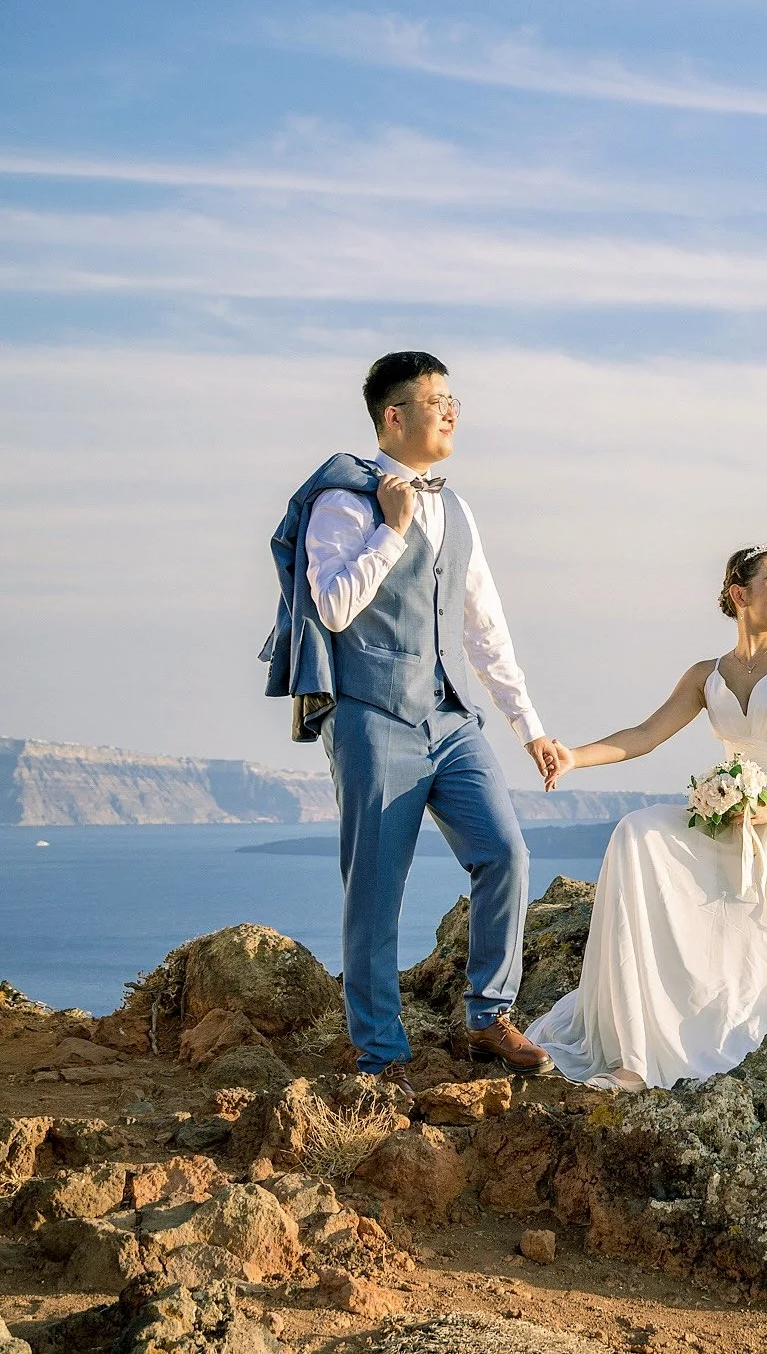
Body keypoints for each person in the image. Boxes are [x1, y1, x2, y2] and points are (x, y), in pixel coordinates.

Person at [262, 351, 567, 1092]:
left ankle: (488, 1014)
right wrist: (391, 529)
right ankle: (380, 1054)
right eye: (437, 400)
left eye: (454, 398)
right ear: (394, 416)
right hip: (372, 717)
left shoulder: (457, 508)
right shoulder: (343, 499)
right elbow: (332, 606)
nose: (452, 411)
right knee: (375, 888)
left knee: (505, 852)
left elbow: (484, 626)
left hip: (450, 718)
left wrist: (528, 725)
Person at [524, 546, 767, 1090]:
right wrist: (573, 757)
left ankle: (713, 1020)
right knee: (636, 835)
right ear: (739, 594)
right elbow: (644, 735)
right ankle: (636, 1057)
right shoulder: (707, 675)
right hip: (727, 818)